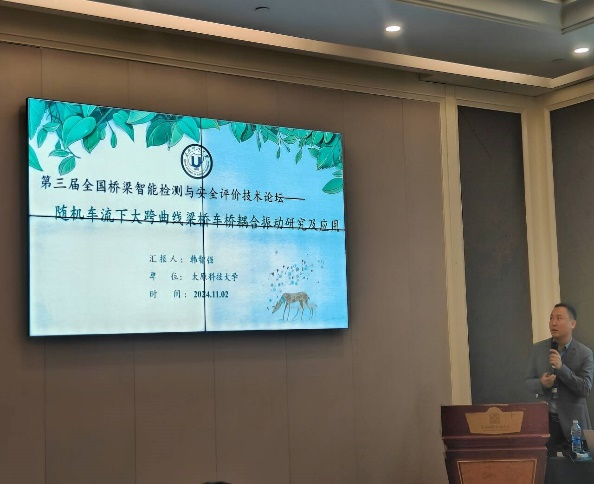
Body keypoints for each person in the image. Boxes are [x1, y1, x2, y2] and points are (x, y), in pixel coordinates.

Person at [525, 303, 594, 455]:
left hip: (575, 425)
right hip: (545, 424)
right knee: (547, 467)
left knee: (576, 468)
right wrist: (541, 383)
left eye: (559, 318)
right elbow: (527, 382)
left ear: (572, 324)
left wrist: (562, 368)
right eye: (551, 318)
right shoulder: (538, 349)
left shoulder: (585, 353)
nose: (553, 323)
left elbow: (585, 389)